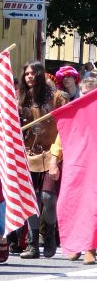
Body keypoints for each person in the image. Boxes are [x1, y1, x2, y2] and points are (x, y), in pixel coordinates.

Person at [18, 61, 67, 259]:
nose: (29, 76)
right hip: (28, 154)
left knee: (48, 198)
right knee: (31, 201)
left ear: (40, 74)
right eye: (26, 73)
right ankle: (32, 244)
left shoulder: (57, 97)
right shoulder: (21, 99)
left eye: (33, 73)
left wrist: (56, 157)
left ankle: (49, 236)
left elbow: (64, 127)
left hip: (51, 153)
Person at [51, 76, 97, 264]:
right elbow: (61, 138)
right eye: (83, 94)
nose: (84, 98)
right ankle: (76, 244)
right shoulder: (75, 111)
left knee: (92, 206)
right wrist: (54, 160)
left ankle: (90, 247)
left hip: (94, 164)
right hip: (77, 165)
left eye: (89, 95)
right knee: (70, 203)